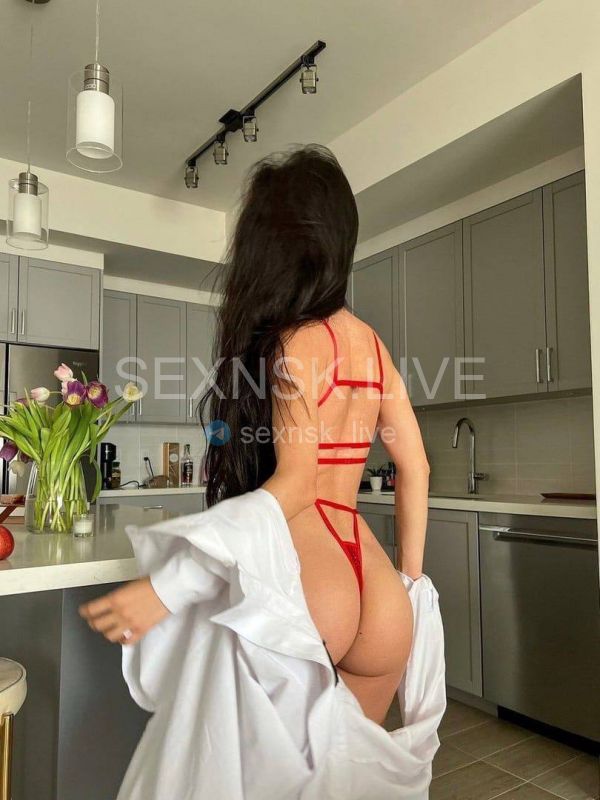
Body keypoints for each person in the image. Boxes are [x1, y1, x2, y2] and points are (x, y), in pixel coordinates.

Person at [80, 145, 430, 728]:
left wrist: (170, 585)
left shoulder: (295, 341)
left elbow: (297, 484)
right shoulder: (374, 346)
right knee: (349, 770)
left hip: (312, 577)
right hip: (380, 589)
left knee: (261, 768)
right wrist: (411, 584)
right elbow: (415, 469)